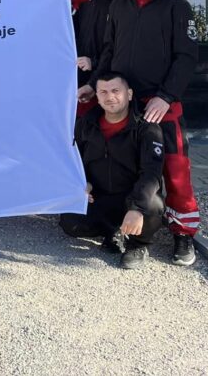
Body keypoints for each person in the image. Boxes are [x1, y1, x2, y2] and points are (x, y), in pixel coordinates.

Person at [92, 0, 201, 266]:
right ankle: (132, 230)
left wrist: (166, 96)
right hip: (123, 102)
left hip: (161, 102)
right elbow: (109, 50)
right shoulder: (119, 3)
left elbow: (186, 57)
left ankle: (183, 234)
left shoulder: (177, 6)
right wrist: (95, 85)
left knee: (175, 168)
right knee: (124, 167)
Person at [59, 72, 166, 270]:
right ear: (97, 97)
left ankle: (137, 245)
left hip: (131, 196)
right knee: (70, 222)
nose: (110, 97)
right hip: (99, 195)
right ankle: (113, 231)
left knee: (152, 205)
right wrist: (83, 184)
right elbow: (74, 161)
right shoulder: (85, 124)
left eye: (116, 91)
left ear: (129, 94)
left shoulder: (147, 128)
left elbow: (151, 173)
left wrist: (136, 208)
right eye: (104, 92)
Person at [74, 0, 123, 115]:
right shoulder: (85, 7)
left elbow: (122, 48)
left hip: (113, 90)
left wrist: (94, 63)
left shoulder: (125, 4)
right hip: (85, 89)